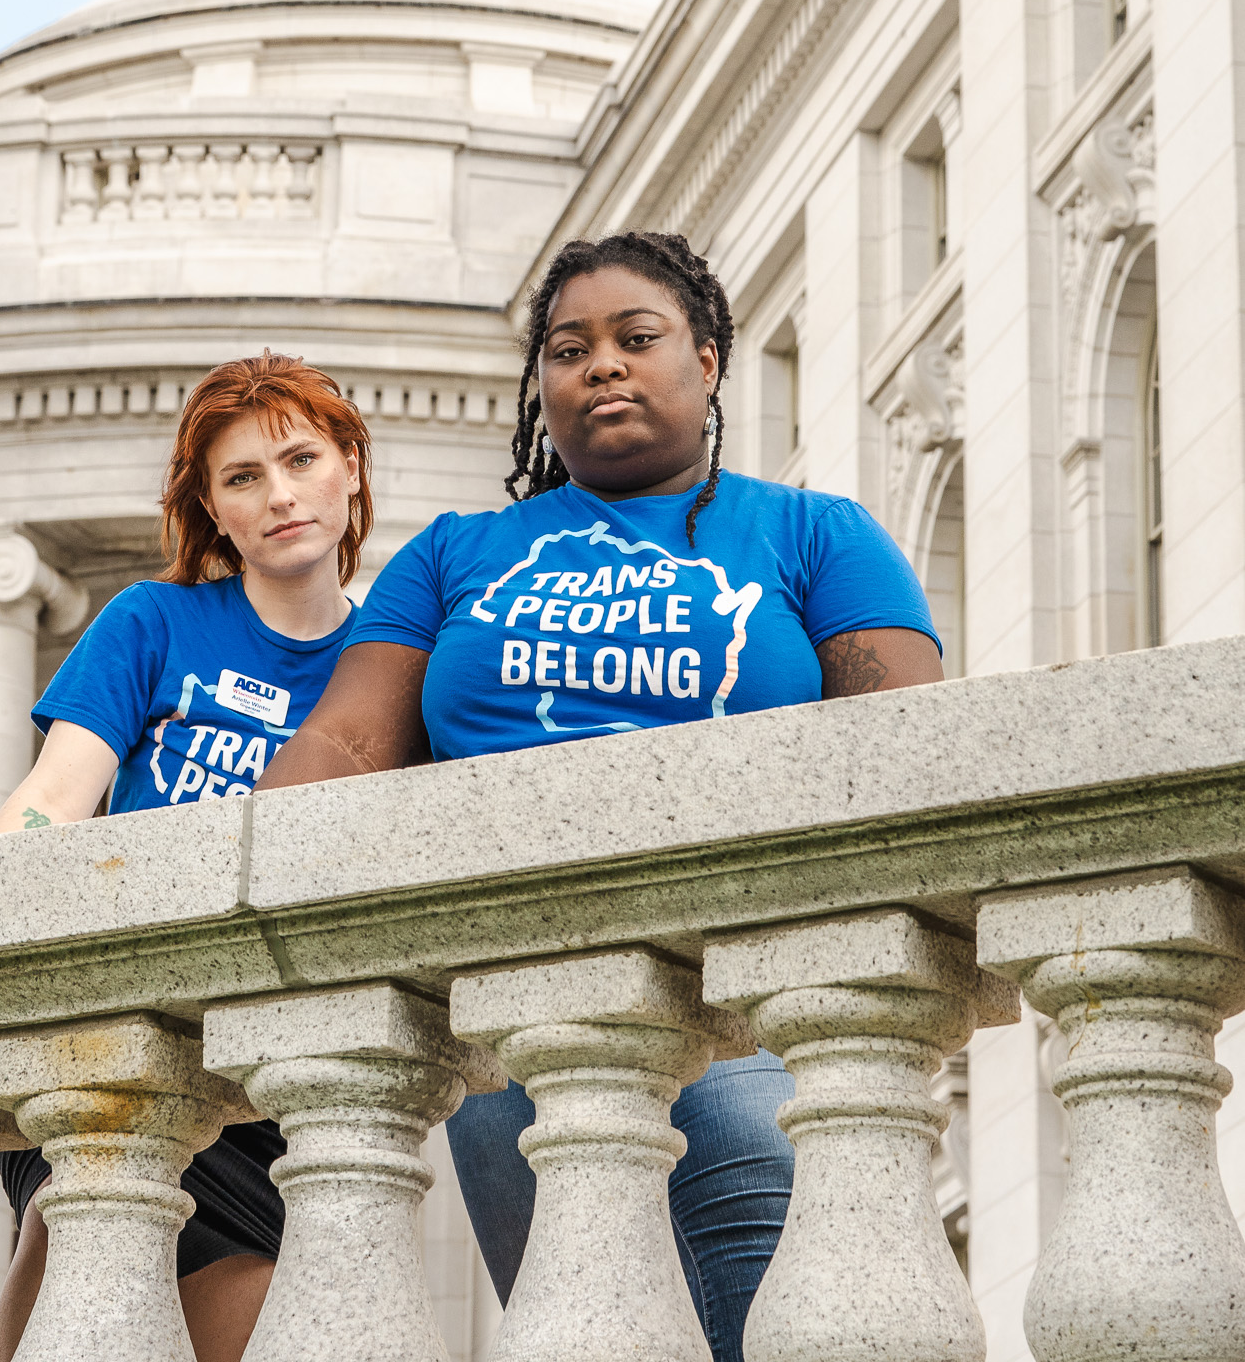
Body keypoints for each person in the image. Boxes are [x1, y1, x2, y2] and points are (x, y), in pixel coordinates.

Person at [257, 231, 945, 1362]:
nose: (604, 367)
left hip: (752, 1004)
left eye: (639, 338)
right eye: (570, 350)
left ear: (709, 360)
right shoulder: (457, 554)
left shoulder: (816, 535)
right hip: (518, 1019)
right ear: (542, 388)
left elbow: (903, 756)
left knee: (785, 1315)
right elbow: (343, 741)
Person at [0, 350, 374, 1362]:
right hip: (120, 1030)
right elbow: (54, 796)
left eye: (300, 458)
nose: (279, 494)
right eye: (243, 475)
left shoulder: (393, 666)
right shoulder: (154, 621)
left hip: (272, 1082)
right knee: (80, 1211)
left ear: (351, 469)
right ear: (213, 505)